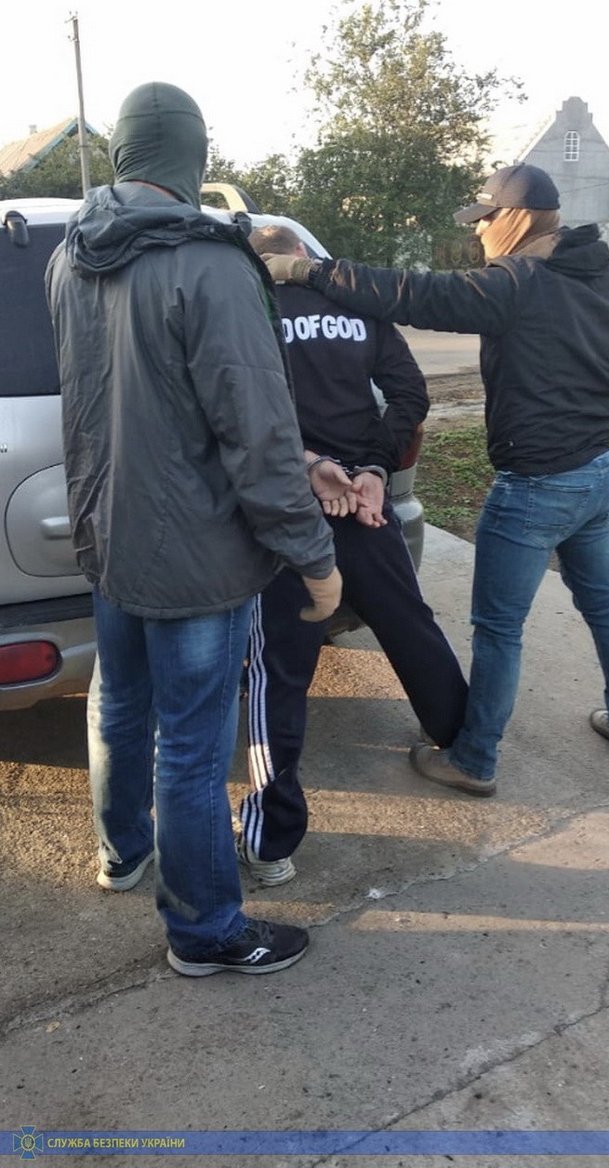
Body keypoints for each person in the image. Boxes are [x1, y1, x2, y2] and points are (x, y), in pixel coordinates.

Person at [45, 82, 344, 978]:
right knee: (190, 744)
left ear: (126, 152)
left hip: (110, 535)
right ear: (192, 155)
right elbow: (258, 432)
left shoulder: (69, 256)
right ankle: (205, 931)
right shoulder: (210, 266)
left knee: (118, 703)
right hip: (197, 560)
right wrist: (315, 558)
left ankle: (122, 852)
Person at [261, 164, 609, 798]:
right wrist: (376, 465)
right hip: (597, 471)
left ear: (514, 217)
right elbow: (407, 383)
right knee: (602, 600)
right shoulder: (603, 276)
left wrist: (311, 273)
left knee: (498, 628)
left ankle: (474, 758)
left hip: (534, 486)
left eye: (486, 220)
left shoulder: (519, 281)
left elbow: (420, 295)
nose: (480, 234)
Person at [236, 224, 468, 886]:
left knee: (279, 670)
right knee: (409, 623)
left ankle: (271, 843)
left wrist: (313, 465)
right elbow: (410, 394)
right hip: (364, 501)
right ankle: (465, 745)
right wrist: (371, 468)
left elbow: (243, 413)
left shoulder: (248, 311)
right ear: (303, 256)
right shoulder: (355, 304)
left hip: (289, 507)